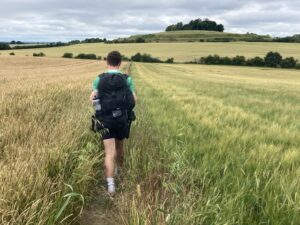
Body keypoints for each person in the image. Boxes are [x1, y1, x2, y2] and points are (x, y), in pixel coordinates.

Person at [90, 51, 137, 194]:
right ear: (120, 62)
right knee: (120, 148)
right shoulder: (126, 79)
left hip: (105, 120)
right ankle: (119, 172)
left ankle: (111, 185)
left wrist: (101, 111)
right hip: (122, 119)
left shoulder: (99, 79)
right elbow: (134, 100)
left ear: (107, 62)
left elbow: (92, 100)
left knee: (109, 152)